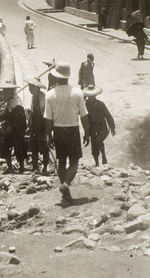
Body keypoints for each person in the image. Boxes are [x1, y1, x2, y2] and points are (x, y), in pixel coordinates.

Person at [44, 61, 90, 206]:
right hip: (73, 130)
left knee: (61, 161)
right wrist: (87, 132)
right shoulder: (77, 92)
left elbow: (48, 118)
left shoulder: (50, 94)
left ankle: (65, 191)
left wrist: (48, 135)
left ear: (56, 77)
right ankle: (66, 185)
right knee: (74, 161)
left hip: (58, 130)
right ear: (68, 76)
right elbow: (83, 115)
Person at [0, 80, 28, 173]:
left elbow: (19, 119)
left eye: (6, 91)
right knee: (5, 146)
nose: (4, 93)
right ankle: (9, 167)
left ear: (11, 91)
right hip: (10, 128)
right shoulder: (9, 101)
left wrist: (12, 126)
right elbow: (6, 114)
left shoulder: (17, 103)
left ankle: (22, 168)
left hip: (17, 128)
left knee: (19, 147)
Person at [83, 85, 115, 166]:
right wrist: (86, 131)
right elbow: (84, 118)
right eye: (89, 97)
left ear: (95, 96)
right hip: (92, 126)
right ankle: (97, 163)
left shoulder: (100, 104)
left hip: (101, 125)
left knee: (98, 141)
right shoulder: (85, 105)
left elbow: (108, 115)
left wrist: (112, 127)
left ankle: (103, 156)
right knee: (94, 144)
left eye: (92, 96)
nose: (91, 98)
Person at [26, 77, 49, 173]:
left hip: (42, 124)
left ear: (36, 88)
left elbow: (47, 112)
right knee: (34, 146)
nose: (29, 90)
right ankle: (35, 167)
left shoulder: (44, 97)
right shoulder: (32, 98)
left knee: (44, 147)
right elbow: (31, 111)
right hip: (34, 125)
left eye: (31, 87)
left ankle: (45, 167)